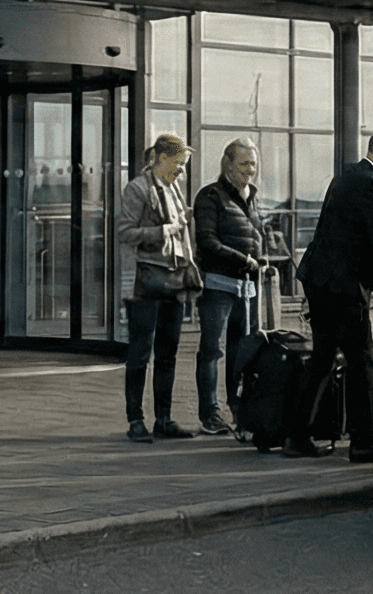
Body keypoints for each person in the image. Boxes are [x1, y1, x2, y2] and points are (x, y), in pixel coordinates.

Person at [293, 126, 373, 463]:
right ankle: (363, 442)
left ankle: (297, 435)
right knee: (362, 363)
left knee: (321, 359)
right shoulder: (371, 183)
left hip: (321, 281)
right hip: (343, 288)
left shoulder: (346, 176)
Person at [114, 133, 199, 443]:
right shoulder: (138, 189)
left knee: (168, 353)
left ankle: (163, 418)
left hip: (173, 280)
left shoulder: (173, 189)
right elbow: (124, 232)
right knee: (139, 353)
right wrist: (166, 229)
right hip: (144, 280)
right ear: (162, 159)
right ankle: (135, 420)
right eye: (178, 165)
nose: (180, 172)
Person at [189, 139, 266, 437]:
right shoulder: (210, 196)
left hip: (248, 289)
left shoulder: (253, 197)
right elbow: (207, 242)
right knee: (211, 350)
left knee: (241, 354)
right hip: (218, 286)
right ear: (227, 165)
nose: (250, 170)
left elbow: (252, 234)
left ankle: (239, 412)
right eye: (244, 164)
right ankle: (210, 415)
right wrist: (244, 259)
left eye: (254, 164)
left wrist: (260, 253)